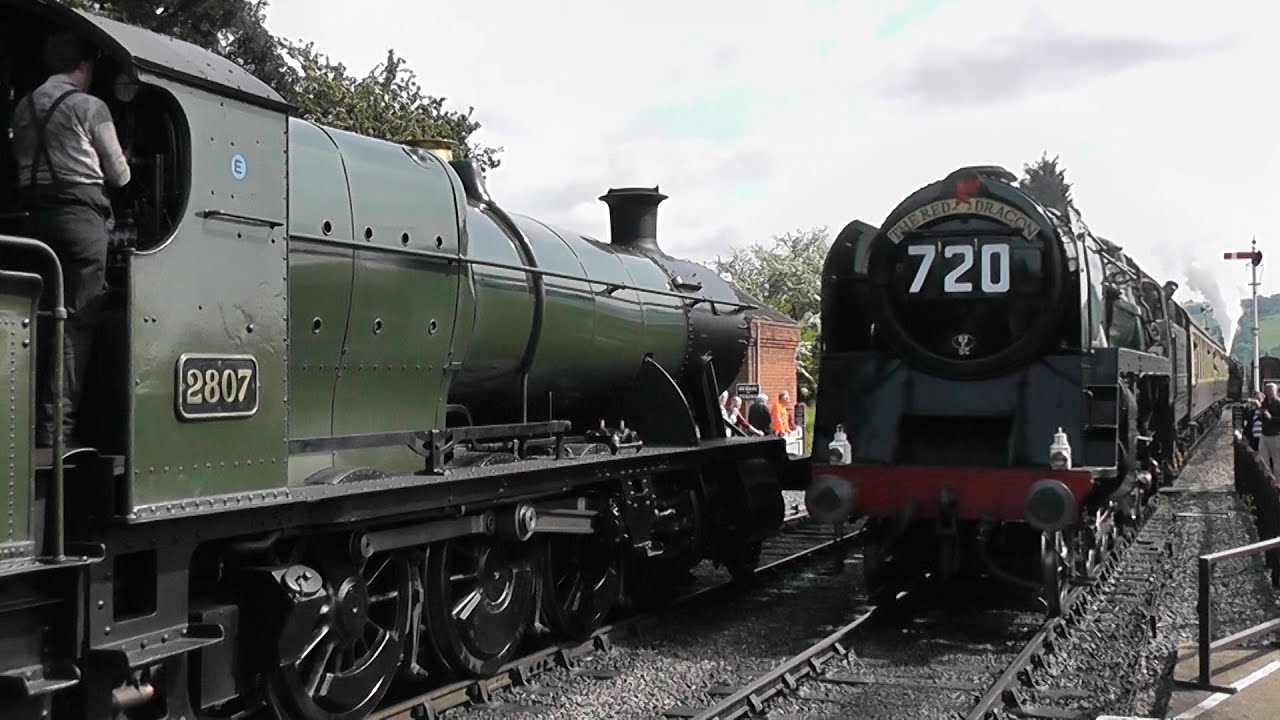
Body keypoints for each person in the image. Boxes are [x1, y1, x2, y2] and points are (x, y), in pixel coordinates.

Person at [10, 32, 131, 448]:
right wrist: (124, 157)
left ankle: (20, 419)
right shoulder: (89, 106)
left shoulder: (24, 107)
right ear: (83, 65)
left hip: (32, 222)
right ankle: (56, 429)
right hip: (80, 222)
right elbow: (119, 176)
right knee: (77, 319)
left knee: (38, 316)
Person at [1259, 384, 1280, 474]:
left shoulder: (1278, 403)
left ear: (1276, 391)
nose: (1269, 392)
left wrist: (1271, 418)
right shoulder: (1265, 403)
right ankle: (1266, 477)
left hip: (1275, 436)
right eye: (1267, 390)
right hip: (1264, 434)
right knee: (1263, 459)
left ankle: (1278, 479)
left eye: (1271, 390)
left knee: (1277, 460)